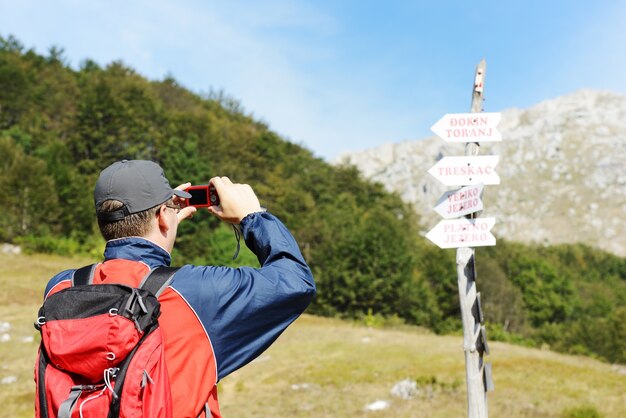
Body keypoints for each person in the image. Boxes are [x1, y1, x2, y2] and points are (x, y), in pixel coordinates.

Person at [41, 159, 316, 417]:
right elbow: (296, 282)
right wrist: (253, 216)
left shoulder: (61, 288)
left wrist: (161, 231)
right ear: (163, 214)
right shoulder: (197, 294)